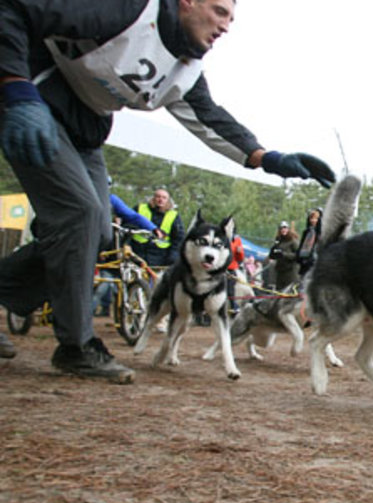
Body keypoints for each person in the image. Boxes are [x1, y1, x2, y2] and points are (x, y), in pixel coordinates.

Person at [0, 0, 336, 383]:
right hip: (31, 94)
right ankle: (77, 346)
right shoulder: (126, 11)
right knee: (80, 214)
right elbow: (13, 9)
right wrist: (16, 87)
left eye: (231, 17)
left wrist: (270, 159)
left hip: (83, 124)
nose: (226, 25)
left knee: (100, 233)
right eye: (219, 11)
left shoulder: (185, 71)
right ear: (186, 2)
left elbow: (212, 120)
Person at [131, 189, 184, 268]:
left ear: (168, 200)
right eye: (158, 197)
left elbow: (178, 239)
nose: (160, 200)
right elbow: (127, 225)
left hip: (159, 258)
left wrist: (173, 256)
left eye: (164, 198)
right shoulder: (140, 208)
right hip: (136, 253)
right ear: (153, 198)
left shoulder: (174, 215)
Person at [268, 221, 300, 290]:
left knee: (290, 292)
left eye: (285, 228)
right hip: (280, 272)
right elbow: (271, 256)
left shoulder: (293, 241)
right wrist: (274, 250)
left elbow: (298, 255)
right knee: (279, 293)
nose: (283, 230)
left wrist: (284, 254)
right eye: (281, 228)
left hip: (290, 272)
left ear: (288, 229)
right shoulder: (278, 241)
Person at [297, 207, 323, 276]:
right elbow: (301, 246)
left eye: (315, 218)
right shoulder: (306, 232)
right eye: (311, 218)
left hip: (314, 263)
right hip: (304, 261)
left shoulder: (320, 233)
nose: (313, 220)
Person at [226, 233, 245, 311]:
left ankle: (234, 307)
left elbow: (240, 257)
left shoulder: (237, 239)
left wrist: (239, 252)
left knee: (230, 291)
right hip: (220, 268)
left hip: (231, 269)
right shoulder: (222, 236)